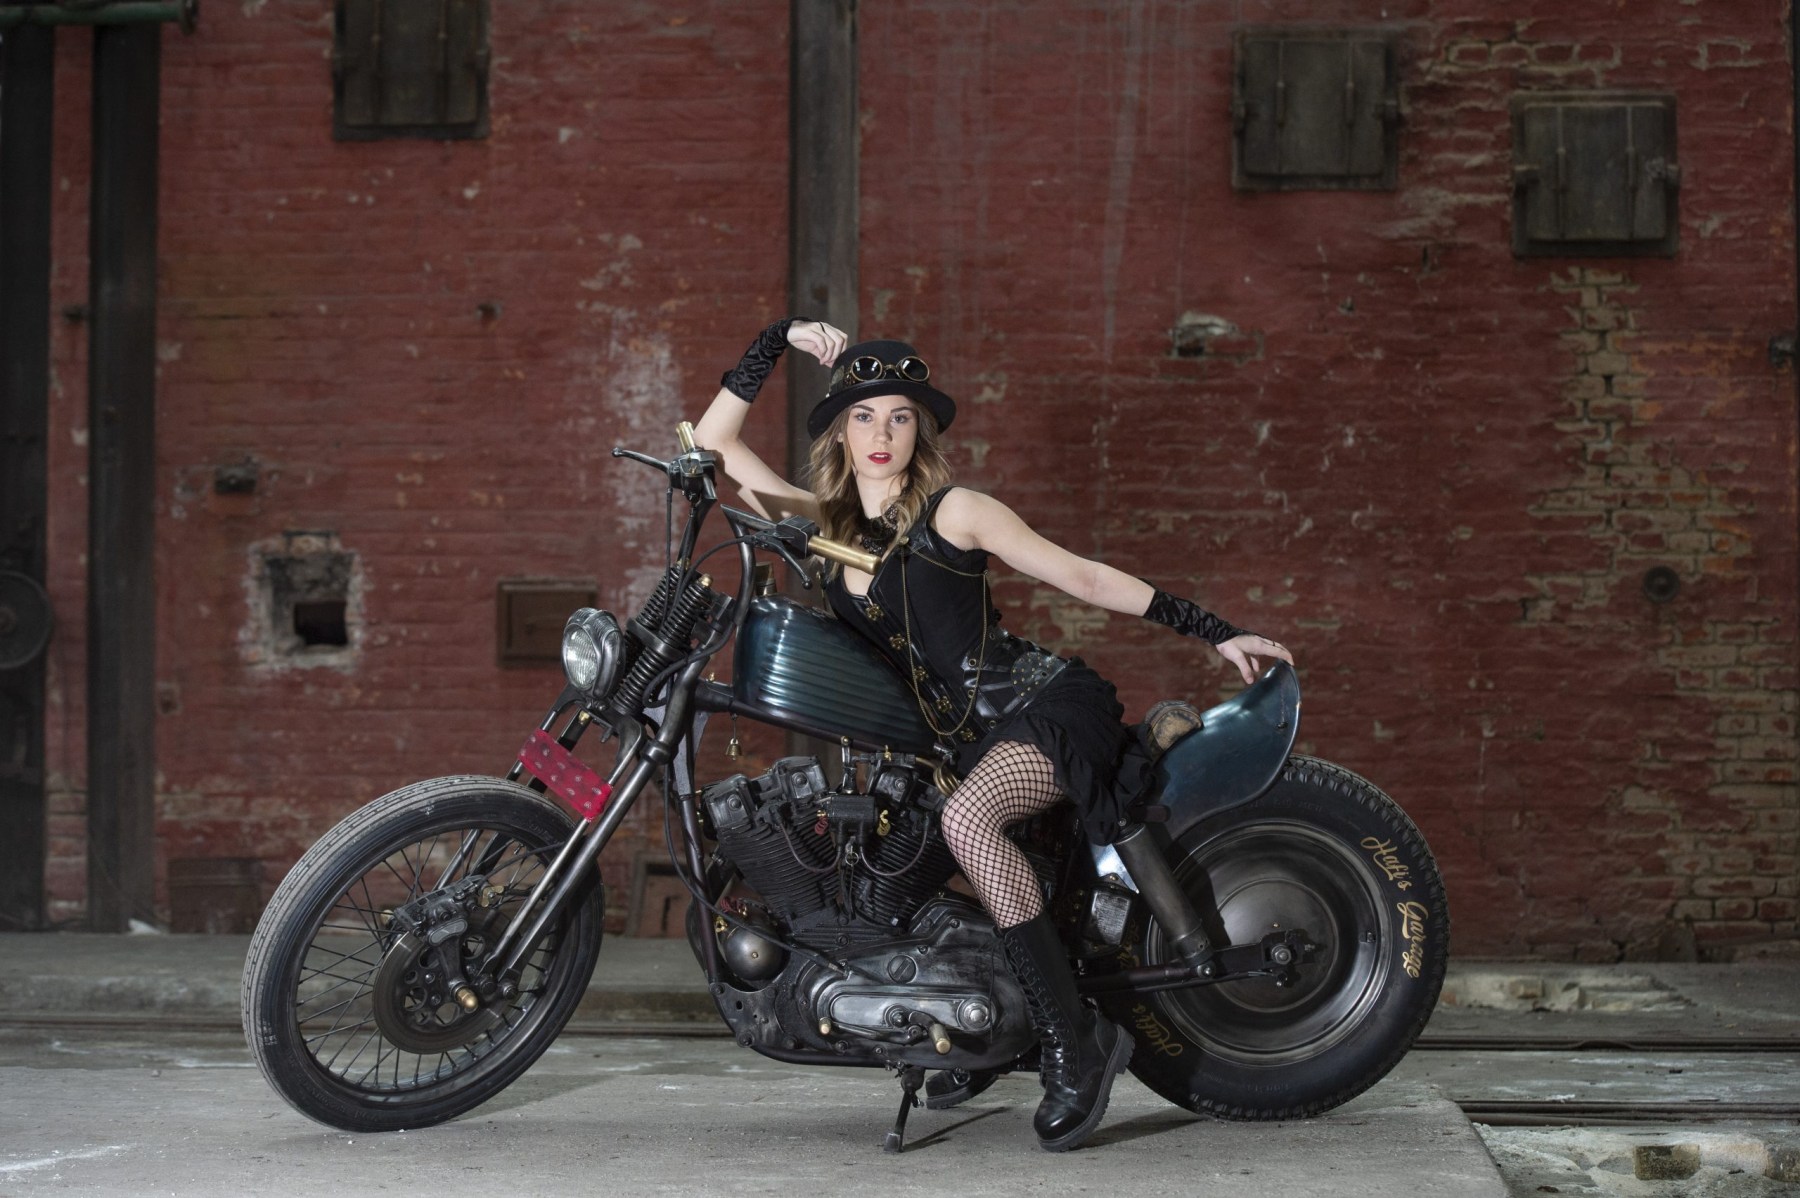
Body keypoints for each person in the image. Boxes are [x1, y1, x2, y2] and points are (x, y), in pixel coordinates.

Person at [693, 318, 1295, 1151]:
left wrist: (1214, 630)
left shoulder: (956, 510)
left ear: (921, 431)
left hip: (1041, 709)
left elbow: (1081, 576)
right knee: (909, 849)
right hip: (962, 741)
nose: (881, 433)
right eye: (863, 415)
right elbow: (713, 444)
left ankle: (1076, 1043)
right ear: (839, 430)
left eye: (900, 416)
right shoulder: (823, 528)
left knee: (968, 821)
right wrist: (775, 338)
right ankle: (980, 1032)